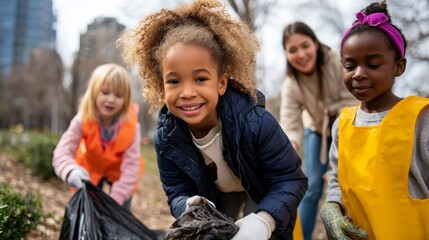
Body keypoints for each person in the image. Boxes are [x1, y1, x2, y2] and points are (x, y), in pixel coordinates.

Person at [118, 0, 308, 239]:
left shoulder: (256, 123)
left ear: (221, 83)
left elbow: (291, 179)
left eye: (200, 79)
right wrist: (189, 205)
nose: (187, 92)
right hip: (215, 194)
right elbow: (177, 190)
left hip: (260, 187)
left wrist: (265, 220)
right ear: (161, 86)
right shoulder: (166, 138)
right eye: (174, 81)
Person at [319, 1, 429, 239]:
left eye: (373, 64)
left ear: (399, 66)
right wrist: (332, 207)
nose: (358, 74)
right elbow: (337, 179)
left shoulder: (420, 118)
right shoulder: (343, 123)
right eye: (350, 66)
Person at [279, 21, 358, 240]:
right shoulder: (290, 83)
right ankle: (303, 236)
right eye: (293, 50)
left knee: (349, 183)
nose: (301, 54)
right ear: (286, 54)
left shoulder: (336, 61)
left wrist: (338, 124)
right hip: (316, 130)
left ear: (315, 43)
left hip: (348, 126)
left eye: (305, 45)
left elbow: (351, 99)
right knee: (312, 185)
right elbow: (290, 122)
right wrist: (290, 148)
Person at [52, 63, 144, 210]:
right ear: (94, 93)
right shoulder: (82, 120)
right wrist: (71, 171)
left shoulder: (132, 127)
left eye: (118, 95)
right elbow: (62, 152)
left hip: (120, 175)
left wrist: (113, 203)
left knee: (121, 211)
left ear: (126, 100)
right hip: (90, 171)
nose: (111, 99)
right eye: (105, 92)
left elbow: (131, 169)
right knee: (87, 209)